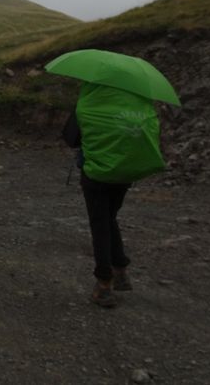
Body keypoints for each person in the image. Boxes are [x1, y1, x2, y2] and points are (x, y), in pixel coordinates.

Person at [63, 83, 165, 308]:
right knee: (109, 218)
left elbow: (71, 138)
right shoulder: (137, 103)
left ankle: (104, 284)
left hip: (96, 174)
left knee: (100, 224)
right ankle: (120, 270)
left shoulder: (89, 103)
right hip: (126, 172)